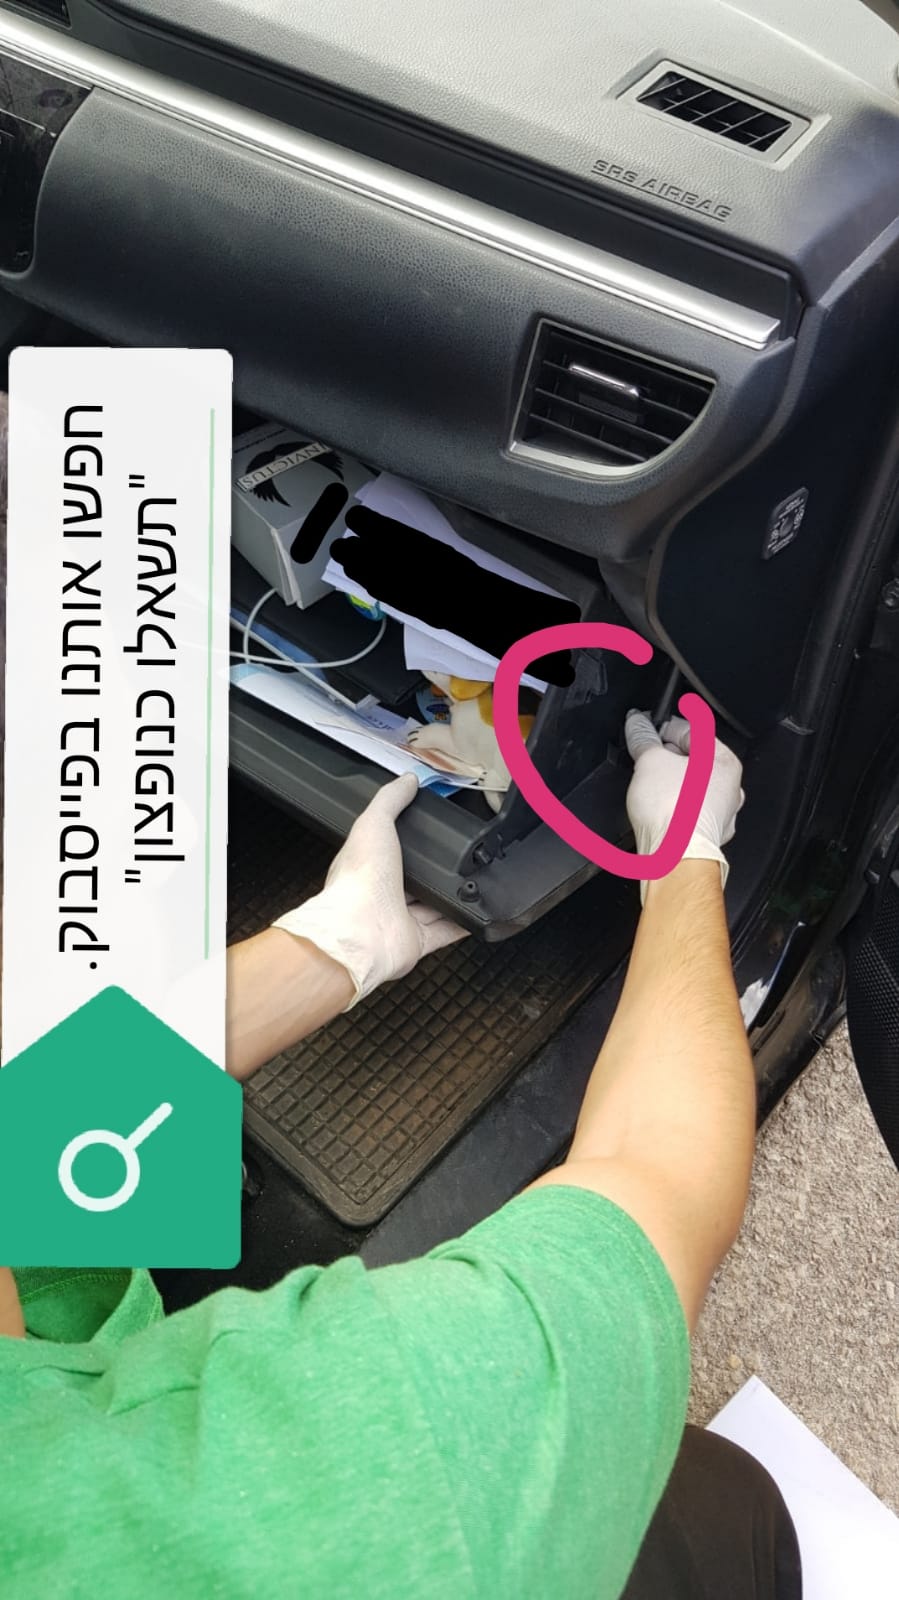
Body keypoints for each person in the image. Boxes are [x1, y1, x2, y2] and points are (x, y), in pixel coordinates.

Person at [0, 391, 800, 1598]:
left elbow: (30, 1142)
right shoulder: (352, 1480)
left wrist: (332, 951)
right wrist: (686, 860)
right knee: (728, 1509)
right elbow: (658, 1184)